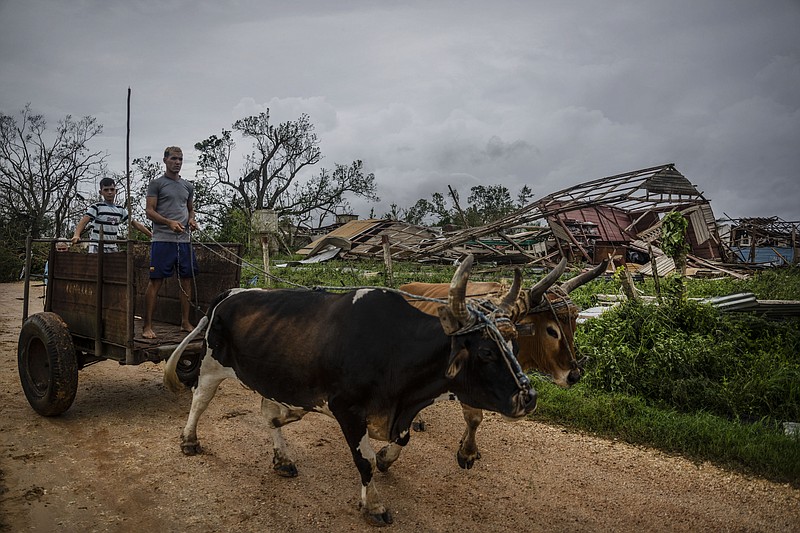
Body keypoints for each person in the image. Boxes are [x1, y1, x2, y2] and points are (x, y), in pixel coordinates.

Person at [142, 146, 199, 339]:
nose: (177, 162)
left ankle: (185, 322)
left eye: (180, 159)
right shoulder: (156, 184)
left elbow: (190, 209)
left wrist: (192, 220)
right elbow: (149, 211)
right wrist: (169, 222)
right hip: (162, 240)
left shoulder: (188, 186)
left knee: (187, 280)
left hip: (184, 241)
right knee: (155, 281)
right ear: (165, 160)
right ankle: (147, 326)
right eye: (174, 159)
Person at [71, 177, 152, 252]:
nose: (109, 192)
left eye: (112, 189)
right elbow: (84, 221)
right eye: (106, 190)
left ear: (116, 191)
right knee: (96, 267)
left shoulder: (120, 210)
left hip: (112, 246)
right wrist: (76, 235)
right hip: (97, 245)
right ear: (101, 192)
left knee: (113, 267)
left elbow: (135, 224)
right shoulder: (96, 207)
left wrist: (151, 235)